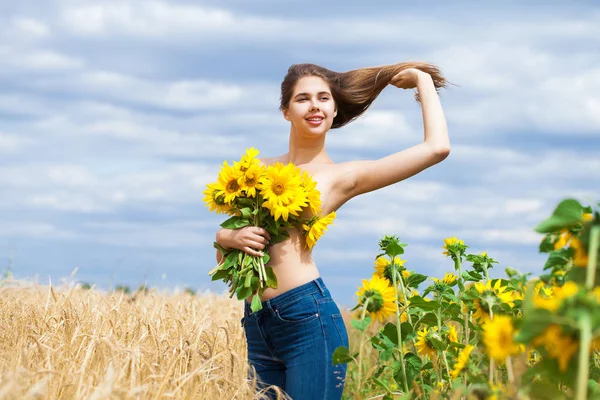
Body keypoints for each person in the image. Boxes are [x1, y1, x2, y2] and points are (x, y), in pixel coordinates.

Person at [214, 62, 450, 399]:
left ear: (335, 110)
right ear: (286, 111)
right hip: (257, 321)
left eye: (324, 98)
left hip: (308, 319)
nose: (314, 105)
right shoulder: (254, 170)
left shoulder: (342, 176)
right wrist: (226, 237)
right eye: (303, 99)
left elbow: (436, 148)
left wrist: (422, 82)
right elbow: (225, 261)